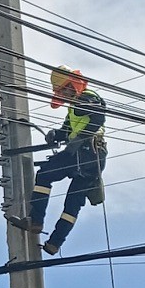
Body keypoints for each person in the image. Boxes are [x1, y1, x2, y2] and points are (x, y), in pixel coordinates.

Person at [23, 66, 107, 255]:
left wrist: (79, 140)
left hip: (85, 151)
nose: (63, 95)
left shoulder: (87, 97)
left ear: (72, 85)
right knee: (73, 203)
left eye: (63, 91)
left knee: (44, 175)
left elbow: (98, 118)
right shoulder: (74, 106)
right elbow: (67, 130)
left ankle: (35, 220)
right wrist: (56, 134)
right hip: (95, 158)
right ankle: (54, 243)